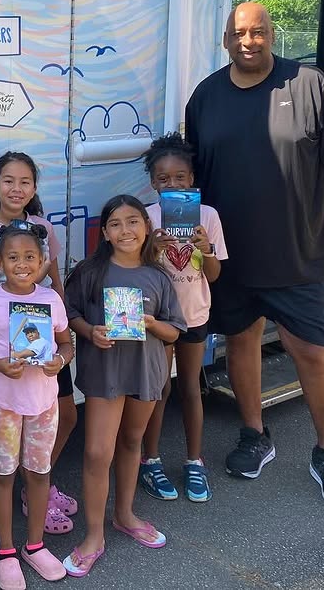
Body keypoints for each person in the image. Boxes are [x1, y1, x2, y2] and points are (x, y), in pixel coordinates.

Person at [184, 1, 324, 510]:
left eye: (258, 32)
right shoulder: (205, 98)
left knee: (313, 352)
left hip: (298, 252)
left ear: (271, 34)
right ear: (225, 40)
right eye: (239, 33)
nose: (249, 41)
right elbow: (191, 181)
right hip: (229, 259)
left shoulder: (310, 85)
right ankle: (253, 434)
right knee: (240, 345)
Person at [61, 196, 185, 578]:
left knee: (132, 443)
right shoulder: (90, 271)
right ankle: (94, 535)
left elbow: (175, 331)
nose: (125, 230)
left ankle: (125, 515)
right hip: (105, 372)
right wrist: (90, 332)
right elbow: (71, 313)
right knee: (98, 452)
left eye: (133, 222)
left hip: (145, 371)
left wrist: (149, 323)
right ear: (106, 232)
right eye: (115, 223)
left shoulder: (159, 276)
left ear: (146, 227)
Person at [0, 151, 78, 535]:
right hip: (14, 355)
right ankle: (30, 495)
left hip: (48, 347)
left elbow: (54, 285)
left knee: (67, 417)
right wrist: (16, 344)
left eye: (25, 182)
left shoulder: (44, 228)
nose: (17, 189)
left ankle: (38, 489)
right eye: (8, 181)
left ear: (34, 188)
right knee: (7, 449)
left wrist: (61, 326)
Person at [0, 224, 74, 590]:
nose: (22, 264)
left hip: (43, 403)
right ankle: (6, 551)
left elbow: (65, 343)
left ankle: (34, 545)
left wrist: (60, 360)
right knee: (3, 474)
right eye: (13, 257)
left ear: (43, 261)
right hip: (3, 405)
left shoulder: (50, 300)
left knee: (39, 473)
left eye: (30, 257)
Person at [140, 133, 228, 503]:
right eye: (163, 179)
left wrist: (206, 249)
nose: (172, 184)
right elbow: (137, 270)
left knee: (191, 387)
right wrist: (152, 247)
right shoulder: (146, 217)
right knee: (159, 389)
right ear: (153, 183)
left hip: (194, 315)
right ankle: (151, 460)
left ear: (192, 179)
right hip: (159, 319)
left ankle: (194, 460)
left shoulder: (208, 216)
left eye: (180, 178)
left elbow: (213, 275)